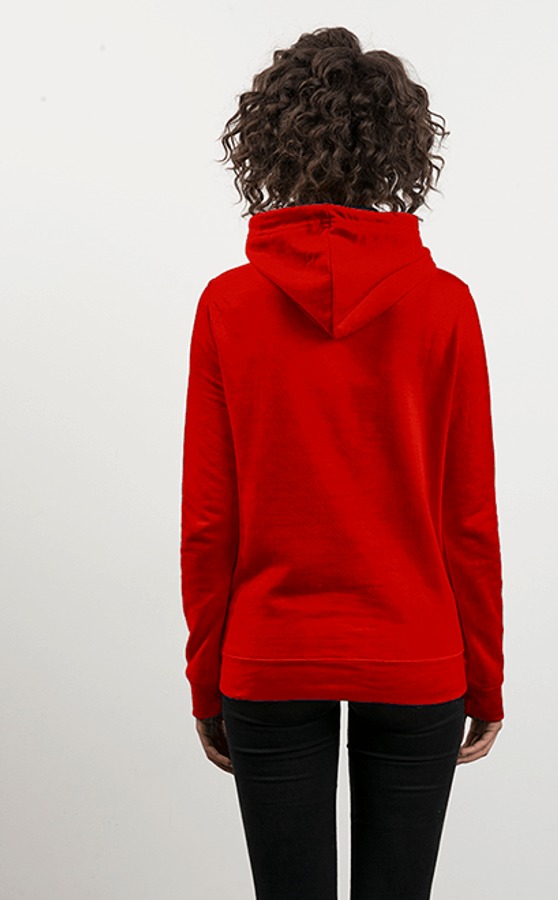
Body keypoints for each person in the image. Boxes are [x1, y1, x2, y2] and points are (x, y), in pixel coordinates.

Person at [180, 25, 504, 900]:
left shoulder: (228, 306)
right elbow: (467, 516)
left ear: (267, 146)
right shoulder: (444, 305)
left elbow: (210, 520)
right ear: (398, 151)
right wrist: (483, 673)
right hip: (415, 652)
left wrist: (208, 679)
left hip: (269, 653)